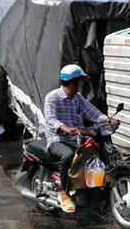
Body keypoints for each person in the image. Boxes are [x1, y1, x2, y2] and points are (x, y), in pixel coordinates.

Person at [43, 64, 120, 213]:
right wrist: (65, 128)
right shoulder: (52, 97)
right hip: (57, 140)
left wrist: (108, 120)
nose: (81, 85)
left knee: (95, 152)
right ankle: (64, 193)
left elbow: (92, 113)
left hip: (77, 138)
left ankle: (92, 192)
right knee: (68, 156)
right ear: (73, 82)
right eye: (80, 81)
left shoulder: (78, 98)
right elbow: (51, 119)